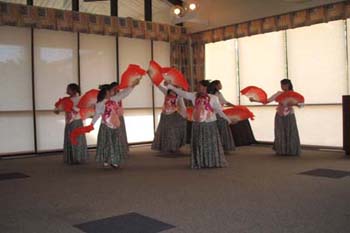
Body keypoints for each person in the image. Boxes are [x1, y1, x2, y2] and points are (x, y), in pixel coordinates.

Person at [165, 80, 232, 169]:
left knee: (209, 143)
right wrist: (171, 87)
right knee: (199, 143)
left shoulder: (213, 98)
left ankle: (210, 161)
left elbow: (219, 110)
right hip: (197, 124)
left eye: (199, 86)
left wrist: (227, 119)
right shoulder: (194, 95)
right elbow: (183, 93)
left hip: (209, 124)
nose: (197, 87)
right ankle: (200, 161)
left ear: (205, 87)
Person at [91, 81, 139, 168]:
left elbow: (124, 93)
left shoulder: (113, 99)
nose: (112, 93)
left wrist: (133, 86)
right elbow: (97, 115)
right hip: (105, 126)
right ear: (106, 93)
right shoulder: (100, 103)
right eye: (110, 91)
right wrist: (91, 125)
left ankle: (114, 160)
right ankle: (106, 159)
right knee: (106, 144)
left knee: (114, 143)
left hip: (114, 126)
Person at [260, 79, 301, 156]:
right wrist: (255, 100)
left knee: (290, 131)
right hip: (279, 114)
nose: (282, 86)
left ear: (288, 85)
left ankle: (291, 150)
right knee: (280, 132)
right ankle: (281, 150)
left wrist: (294, 104)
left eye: (284, 85)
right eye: (281, 85)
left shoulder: (293, 94)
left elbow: (300, 104)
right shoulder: (279, 93)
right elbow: (267, 101)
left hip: (289, 114)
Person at [54, 83, 88, 164]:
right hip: (69, 122)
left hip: (77, 121)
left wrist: (73, 109)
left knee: (77, 139)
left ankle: (78, 158)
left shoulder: (80, 98)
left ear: (74, 90)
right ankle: (72, 158)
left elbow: (84, 107)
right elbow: (56, 110)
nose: (67, 90)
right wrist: (57, 109)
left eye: (68, 89)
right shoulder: (65, 100)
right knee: (70, 139)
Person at [151, 83, 187, 153]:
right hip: (164, 115)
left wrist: (184, 115)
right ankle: (164, 147)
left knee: (171, 132)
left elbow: (182, 106)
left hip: (172, 115)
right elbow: (160, 87)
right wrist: (155, 81)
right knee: (164, 131)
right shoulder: (166, 92)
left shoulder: (179, 96)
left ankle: (173, 147)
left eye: (175, 87)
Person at [208, 80, 236, 152]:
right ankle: (223, 147)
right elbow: (225, 102)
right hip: (218, 114)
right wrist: (235, 106)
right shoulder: (217, 94)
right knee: (223, 130)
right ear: (216, 86)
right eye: (220, 84)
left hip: (211, 115)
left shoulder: (210, 94)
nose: (221, 85)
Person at [110, 82, 129, 153]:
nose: (116, 90)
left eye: (117, 88)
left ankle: (122, 149)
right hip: (112, 118)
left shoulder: (119, 95)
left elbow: (126, 92)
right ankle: (114, 149)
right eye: (114, 88)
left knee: (121, 133)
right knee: (114, 134)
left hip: (120, 116)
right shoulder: (110, 97)